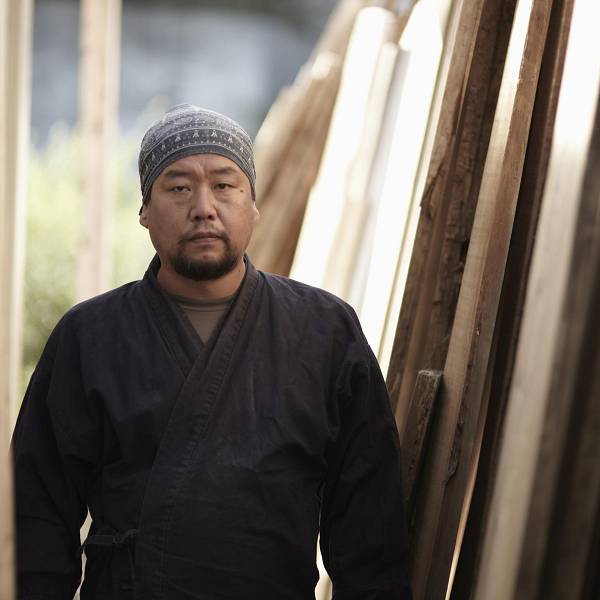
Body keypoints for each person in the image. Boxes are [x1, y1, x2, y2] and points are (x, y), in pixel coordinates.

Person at [12, 104, 412, 600]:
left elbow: (369, 528)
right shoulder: (89, 337)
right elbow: (35, 518)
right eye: (178, 188)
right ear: (143, 211)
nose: (204, 206)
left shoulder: (324, 331)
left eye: (225, 185)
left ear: (253, 205)